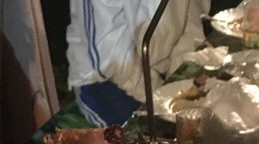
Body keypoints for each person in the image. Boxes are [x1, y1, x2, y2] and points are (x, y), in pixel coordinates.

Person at [66, 0, 211, 127]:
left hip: (156, 71)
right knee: (153, 140)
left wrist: (180, 82)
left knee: (206, 123)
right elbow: (109, 57)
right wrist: (159, 97)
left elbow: (191, 28)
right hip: (104, 78)